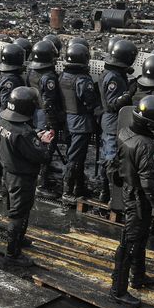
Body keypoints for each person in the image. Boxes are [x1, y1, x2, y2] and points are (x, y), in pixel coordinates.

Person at [110, 95, 154, 307]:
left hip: (131, 191)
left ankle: (138, 276)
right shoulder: (146, 146)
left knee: (140, 238)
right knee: (129, 242)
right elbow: (150, 185)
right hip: (138, 198)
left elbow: (134, 152)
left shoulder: (126, 132)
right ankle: (118, 290)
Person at [0, 87, 56, 263]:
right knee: (19, 214)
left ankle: (19, 239)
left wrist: (34, 138)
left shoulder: (1, 123)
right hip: (22, 178)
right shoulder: (24, 132)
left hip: (8, 174)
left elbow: (12, 144)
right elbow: (42, 157)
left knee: (16, 210)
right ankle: (12, 253)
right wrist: (44, 143)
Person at [59, 41, 101, 200]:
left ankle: (78, 188)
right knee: (75, 158)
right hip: (81, 123)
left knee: (75, 156)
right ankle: (67, 192)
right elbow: (90, 102)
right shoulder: (83, 80)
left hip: (69, 121)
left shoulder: (63, 76)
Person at [99, 39, 139, 203]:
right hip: (113, 122)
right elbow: (113, 104)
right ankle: (111, 197)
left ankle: (106, 193)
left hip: (110, 121)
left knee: (108, 158)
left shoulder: (114, 73)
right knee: (111, 160)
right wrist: (129, 93)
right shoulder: (114, 78)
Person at [27, 39, 64, 193]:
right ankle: (41, 184)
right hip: (46, 114)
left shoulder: (32, 72)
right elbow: (48, 102)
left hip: (36, 112)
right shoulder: (48, 77)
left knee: (38, 144)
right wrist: (53, 122)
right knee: (47, 146)